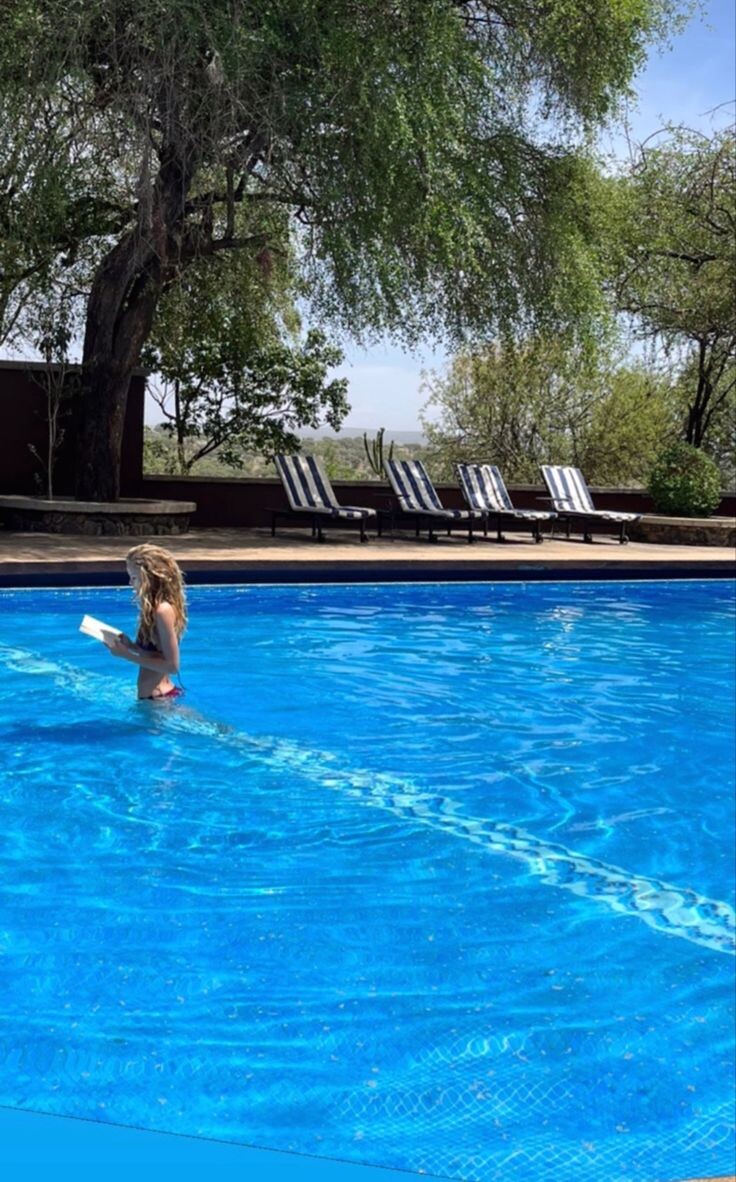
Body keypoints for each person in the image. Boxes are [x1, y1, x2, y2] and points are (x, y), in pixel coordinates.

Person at [104, 544, 187, 701]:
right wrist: (130, 646)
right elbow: (156, 653)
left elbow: (172, 666)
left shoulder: (162, 610)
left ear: (149, 578)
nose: (130, 583)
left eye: (134, 578)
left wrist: (126, 655)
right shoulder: (153, 609)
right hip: (155, 699)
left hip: (159, 702)